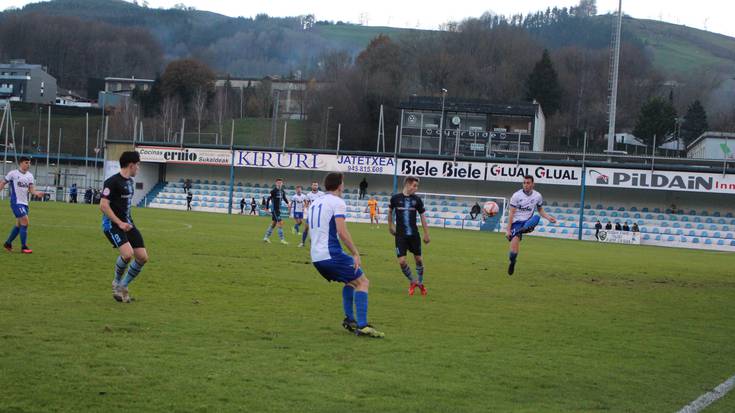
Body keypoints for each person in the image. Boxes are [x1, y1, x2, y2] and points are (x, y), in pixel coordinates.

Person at [310, 172, 384, 338]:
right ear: (339, 185)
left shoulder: (316, 201)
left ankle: (350, 320)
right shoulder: (337, 202)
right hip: (330, 255)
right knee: (363, 282)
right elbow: (341, 231)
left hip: (316, 256)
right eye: (343, 182)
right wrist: (355, 253)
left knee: (351, 282)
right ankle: (363, 326)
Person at [100, 151, 149, 303]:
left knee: (142, 257)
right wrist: (119, 223)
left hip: (128, 224)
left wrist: (126, 223)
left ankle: (123, 285)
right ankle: (116, 282)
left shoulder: (130, 182)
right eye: (138, 165)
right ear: (131, 165)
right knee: (127, 255)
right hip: (113, 225)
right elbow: (103, 206)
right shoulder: (111, 182)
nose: (138, 169)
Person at [505, 175, 556, 276]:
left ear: (533, 184)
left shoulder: (537, 196)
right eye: (524, 183)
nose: (526, 185)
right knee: (513, 253)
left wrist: (548, 217)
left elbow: (540, 210)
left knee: (536, 217)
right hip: (516, 223)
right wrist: (508, 230)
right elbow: (511, 213)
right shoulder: (516, 196)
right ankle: (513, 262)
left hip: (528, 222)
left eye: (528, 183)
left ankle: (524, 229)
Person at [388, 176, 431, 296]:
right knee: (401, 261)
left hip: (414, 235)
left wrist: (426, 233)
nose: (416, 189)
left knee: (419, 259)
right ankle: (413, 281)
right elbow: (390, 211)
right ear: (407, 184)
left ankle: (420, 283)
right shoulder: (395, 198)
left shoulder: (417, 200)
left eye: (417, 186)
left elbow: (423, 216)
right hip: (400, 236)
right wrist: (390, 226)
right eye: (414, 186)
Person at [1, 156, 45, 254]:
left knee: (19, 225)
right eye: (26, 163)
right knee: (25, 222)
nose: (28, 165)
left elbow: (31, 189)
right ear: (20, 163)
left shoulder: (30, 176)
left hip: (24, 203)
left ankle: (8, 243)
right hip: (16, 202)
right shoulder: (13, 173)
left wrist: (36, 193)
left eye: (29, 163)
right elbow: (3, 183)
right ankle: (24, 247)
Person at [263, 178, 289, 244]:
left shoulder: (282, 191)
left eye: (280, 183)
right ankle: (282, 239)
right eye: (278, 183)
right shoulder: (273, 191)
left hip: (278, 210)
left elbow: (284, 198)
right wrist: (266, 208)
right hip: (274, 210)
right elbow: (268, 199)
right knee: (280, 223)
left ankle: (266, 237)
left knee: (273, 224)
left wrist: (288, 203)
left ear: (282, 183)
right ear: (276, 183)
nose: (279, 184)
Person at [299, 181, 324, 248]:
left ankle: (315, 242)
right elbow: (307, 204)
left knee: (318, 229)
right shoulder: (308, 195)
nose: (315, 186)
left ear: (318, 186)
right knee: (306, 228)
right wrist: (305, 208)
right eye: (314, 185)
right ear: (311, 186)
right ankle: (302, 243)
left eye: (316, 185)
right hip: (311, 214)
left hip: (319, 215)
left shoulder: (322, 194)